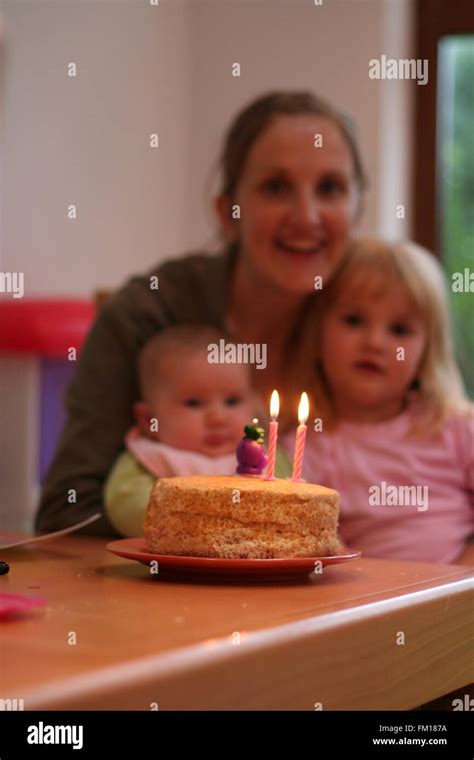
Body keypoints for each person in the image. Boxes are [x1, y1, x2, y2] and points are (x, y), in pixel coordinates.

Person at [36, 90, 367, 535]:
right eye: (275, 187)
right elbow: (67, 514)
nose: (306, 216)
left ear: (357, 209)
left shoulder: (375, 319)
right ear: (228, 213)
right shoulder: (146, 314)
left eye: (330, 188)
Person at [282, 238, 474, 564]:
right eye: (354, 321)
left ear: (427, 351)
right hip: (367, 605)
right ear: (316, 333)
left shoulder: (455, 426)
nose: (374, 342)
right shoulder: (306, 446)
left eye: (399, 329)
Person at [104, 324, 292, 537]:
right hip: (178, 558)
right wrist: (192, 520)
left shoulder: (266, 455)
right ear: (149, 419)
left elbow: (293, 501)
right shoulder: (151, 459)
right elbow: (126, 504)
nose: (218, 418)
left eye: (232, 401)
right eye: (194, 403)